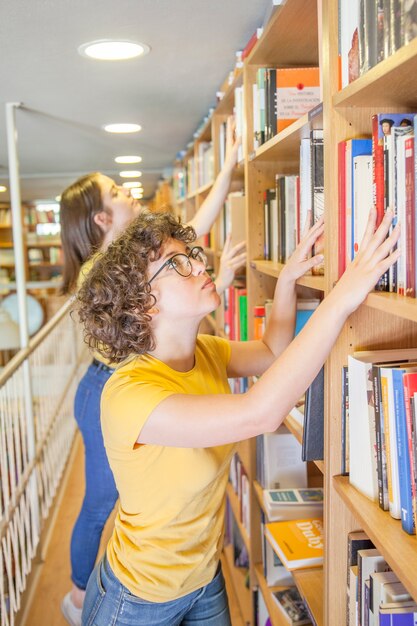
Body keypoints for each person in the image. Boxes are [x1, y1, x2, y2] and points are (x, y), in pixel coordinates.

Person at [76, 206, 400, 626]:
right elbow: (260, 413)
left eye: (191, 253)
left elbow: (271, 352)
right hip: (137, 597)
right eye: (177, 263)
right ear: (141, 304)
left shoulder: (205, 351)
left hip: (203, 577)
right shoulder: (128, 394)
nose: (198, 263)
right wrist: (340, 300)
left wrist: (286, 282)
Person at [59, 117, 245, 626]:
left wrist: (227, 167)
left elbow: (191, 244)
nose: (129, 193)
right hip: (111, 388)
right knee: (102, 500)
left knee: (127, 499)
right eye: (117, 191)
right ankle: (80, 599)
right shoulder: (107, 270)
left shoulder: (141, 253)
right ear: (101, 219)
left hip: (135, 387)